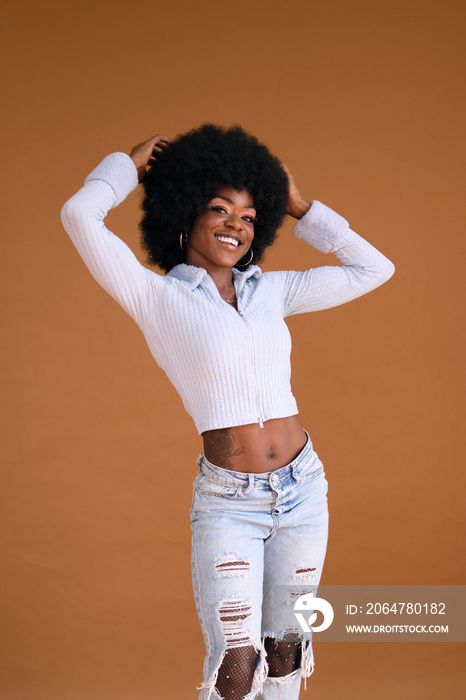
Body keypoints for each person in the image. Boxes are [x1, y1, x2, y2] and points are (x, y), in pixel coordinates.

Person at [61, 124, 395, 700]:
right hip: (229, 502)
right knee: (237, 664)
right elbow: (78, 215)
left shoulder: (274, 291)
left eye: (248, 215)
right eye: (220, 208)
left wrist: (300, 207)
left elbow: (374, 268)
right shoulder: (155, 296)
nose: (235, 226)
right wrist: (124, 166)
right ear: (186, 213)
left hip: (304, 490)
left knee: (286, 646)